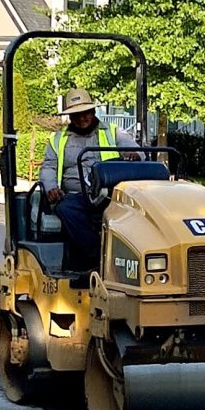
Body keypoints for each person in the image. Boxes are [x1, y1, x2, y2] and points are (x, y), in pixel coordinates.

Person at [38, 89, 132, 276]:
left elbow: (138, 152)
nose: (82, 118)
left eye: (85, 113)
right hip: (75, 196)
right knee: (66, 209)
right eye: (76, 115)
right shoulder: (58, 139)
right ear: (70, 117)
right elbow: (49, 166)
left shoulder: (114, 133)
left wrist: (133, 155)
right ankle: (97, 259)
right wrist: (51, 188)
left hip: (109, 194)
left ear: (93, 112)